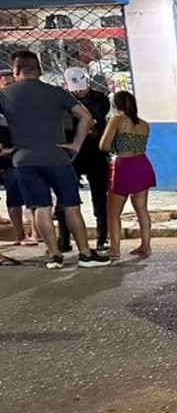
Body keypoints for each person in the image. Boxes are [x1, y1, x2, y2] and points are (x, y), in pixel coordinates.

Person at [0, 50, 110, 269]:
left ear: (16, 69)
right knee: (71, 205)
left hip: (23, 159)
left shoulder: (4, 95)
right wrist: (75, 145)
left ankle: (54, 255)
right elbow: (87, 117)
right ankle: (86, 254)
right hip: (58, 157)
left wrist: (3, 149)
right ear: (39, 69)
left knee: (41, 207)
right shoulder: (56, 92)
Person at [53, 66, 111, 253]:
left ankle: (102, 237)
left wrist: (94, 130)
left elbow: (103, 126)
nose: (79, 91)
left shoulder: (100, 99)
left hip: (96, 152)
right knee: (65, 197)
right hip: (72, 154)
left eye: (81, 87)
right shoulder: (63, 100)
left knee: (100, 197)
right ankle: (64, 237)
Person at [100, 91, 156, 259]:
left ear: (116, 105)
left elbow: (104, 146)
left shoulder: (116, 120)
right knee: (141, 210)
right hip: (142, 164)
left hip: (123, 166)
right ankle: (145, 246)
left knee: (113, 212)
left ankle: (115, 249)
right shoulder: (144, 125)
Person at [1, 69, 35, 249]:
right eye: (6, 85)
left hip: (28, 154)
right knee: (14, 195)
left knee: (33, 193)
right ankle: (20, 233)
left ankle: (35, 232)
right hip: (8, 160)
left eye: (12, 84)